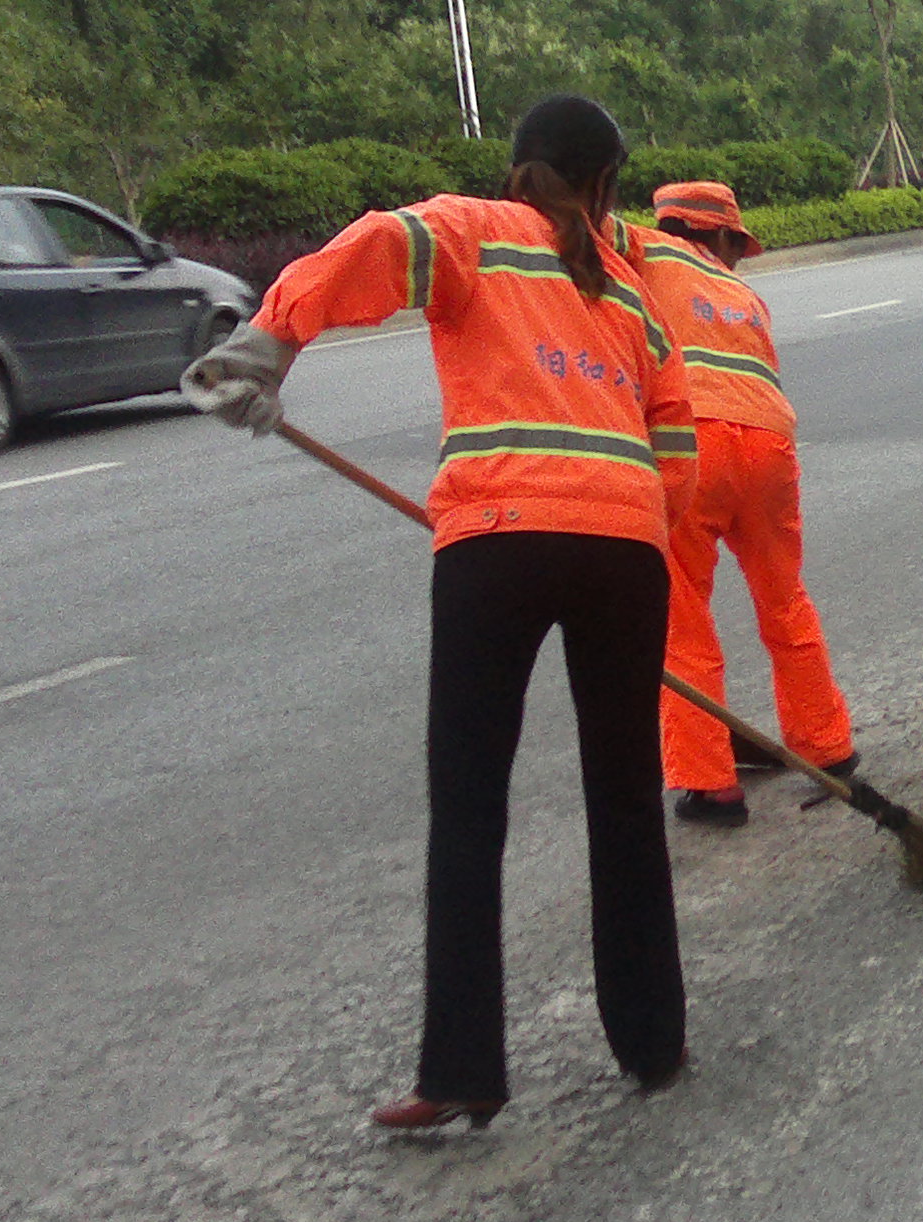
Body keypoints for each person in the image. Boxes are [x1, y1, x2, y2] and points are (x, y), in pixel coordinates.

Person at [183, 95, 699, 1131]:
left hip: (497, 543)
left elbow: (379, 242)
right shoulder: (635, 298)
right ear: (602, 189)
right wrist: (632, 520)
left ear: (521, 173)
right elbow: (676, 447)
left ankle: (462, 1067)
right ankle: (653, 1043)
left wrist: (266, 344)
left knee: (470, 811)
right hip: (625, 551)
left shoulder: (476, 231)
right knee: (628, 801)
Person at [630, 181, 859, 826]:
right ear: (722, 236)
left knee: (683, 618)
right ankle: (828, 747)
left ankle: (710, 783)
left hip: (693, 442)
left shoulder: (647, 252)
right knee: (784, 599)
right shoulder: (745, 297)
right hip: (767, 446)